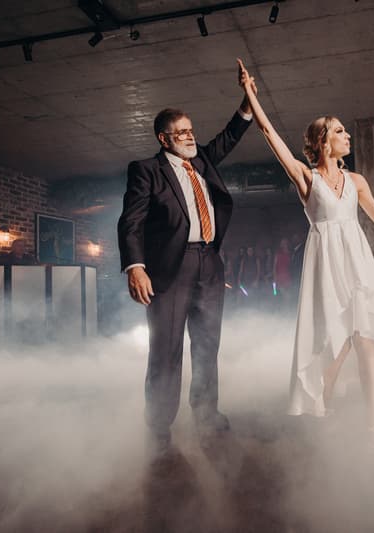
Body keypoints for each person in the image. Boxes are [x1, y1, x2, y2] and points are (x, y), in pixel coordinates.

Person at [237, 59, 374, 451]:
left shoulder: (356, 181)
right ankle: (323, 412)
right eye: (339, 132)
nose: (346, 136)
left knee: (366, 338)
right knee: (336, 343)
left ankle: (372, 424)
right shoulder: (307, 178)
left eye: (346, 131)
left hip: (357, 264)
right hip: (325, 266)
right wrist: (250, 94)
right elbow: (269, 133)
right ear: (322, 142)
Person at [116, 68, 253, 454]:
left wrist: (246, 101)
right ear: (164, 138)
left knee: (208, 345)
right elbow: (131, 221)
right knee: (166, 350)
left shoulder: (203, 162)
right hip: (169, 271)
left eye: (192, 130)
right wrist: (136, 267)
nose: (191, 137)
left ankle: (207, 413)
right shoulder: (146, 170)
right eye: (182, 132)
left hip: (209, 263)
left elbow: (230, 135)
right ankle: (159, 428)